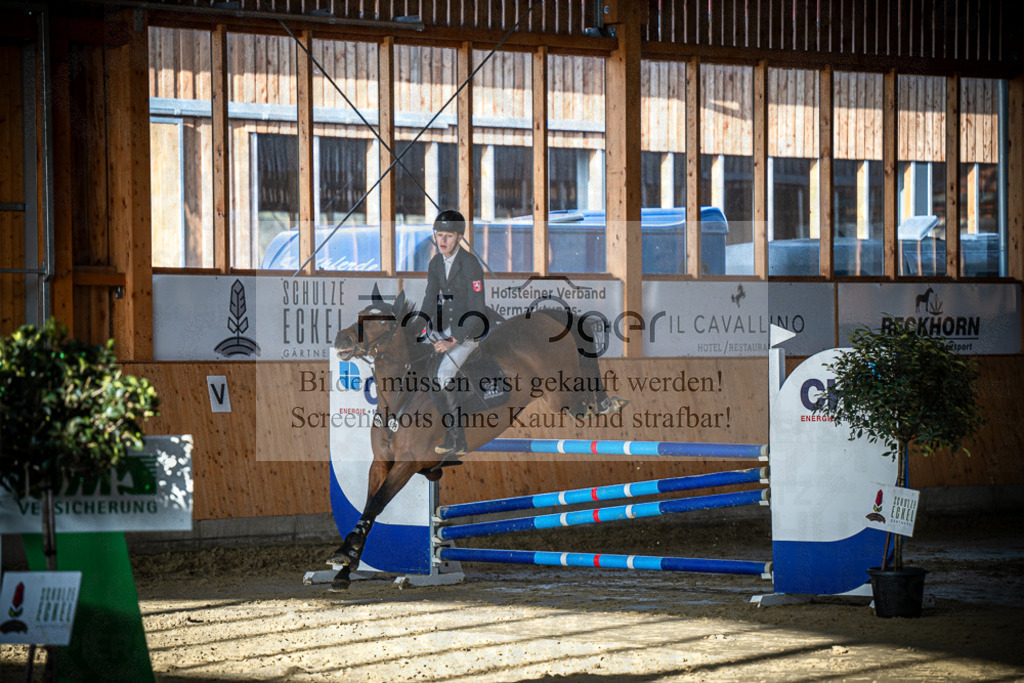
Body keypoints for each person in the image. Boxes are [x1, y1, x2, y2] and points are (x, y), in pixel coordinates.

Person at [419, 209, 488, 457]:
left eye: (448, 236)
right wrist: (419, 326)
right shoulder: (436, 263)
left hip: (468, 329)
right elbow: (429, 299)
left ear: (459, 238)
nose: (442, 241)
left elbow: (477, 309)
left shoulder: (470, 264)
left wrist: (452, 340)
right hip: (443, 325)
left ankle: (456, 438)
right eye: (439, 235)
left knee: (444, 374)